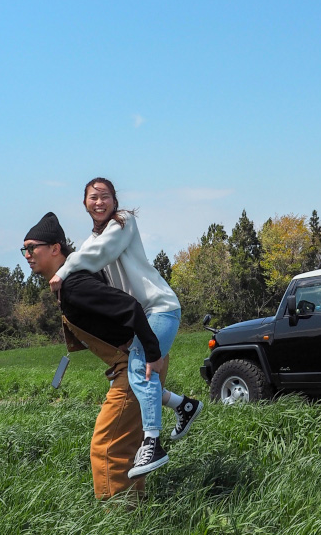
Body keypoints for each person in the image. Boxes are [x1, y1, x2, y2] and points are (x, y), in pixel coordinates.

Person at [23, 212, 167, 500]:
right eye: (24, 249)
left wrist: (152, 355)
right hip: (133, 364)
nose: (27, 255)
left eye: (31, 248)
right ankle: (135, 509)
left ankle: (117, 516)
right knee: (126, 445)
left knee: (107, 446)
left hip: (137, 366)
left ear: (55, 248)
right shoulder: (68, 283)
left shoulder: (75, 285)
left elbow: (130, 307)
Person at [48, 177, 202, 445]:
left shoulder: (123, 222)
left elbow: (101, 252)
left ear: (114, 201)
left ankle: (152, 443)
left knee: (140, 368)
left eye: (105, 196)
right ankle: (183, 405)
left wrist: (63, 271)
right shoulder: (90, 242)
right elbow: (93, 275)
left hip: (160, 307)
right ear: (84, 203)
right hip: (139, 316)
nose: (99, 202)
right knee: (136, 375)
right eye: (93, 197)